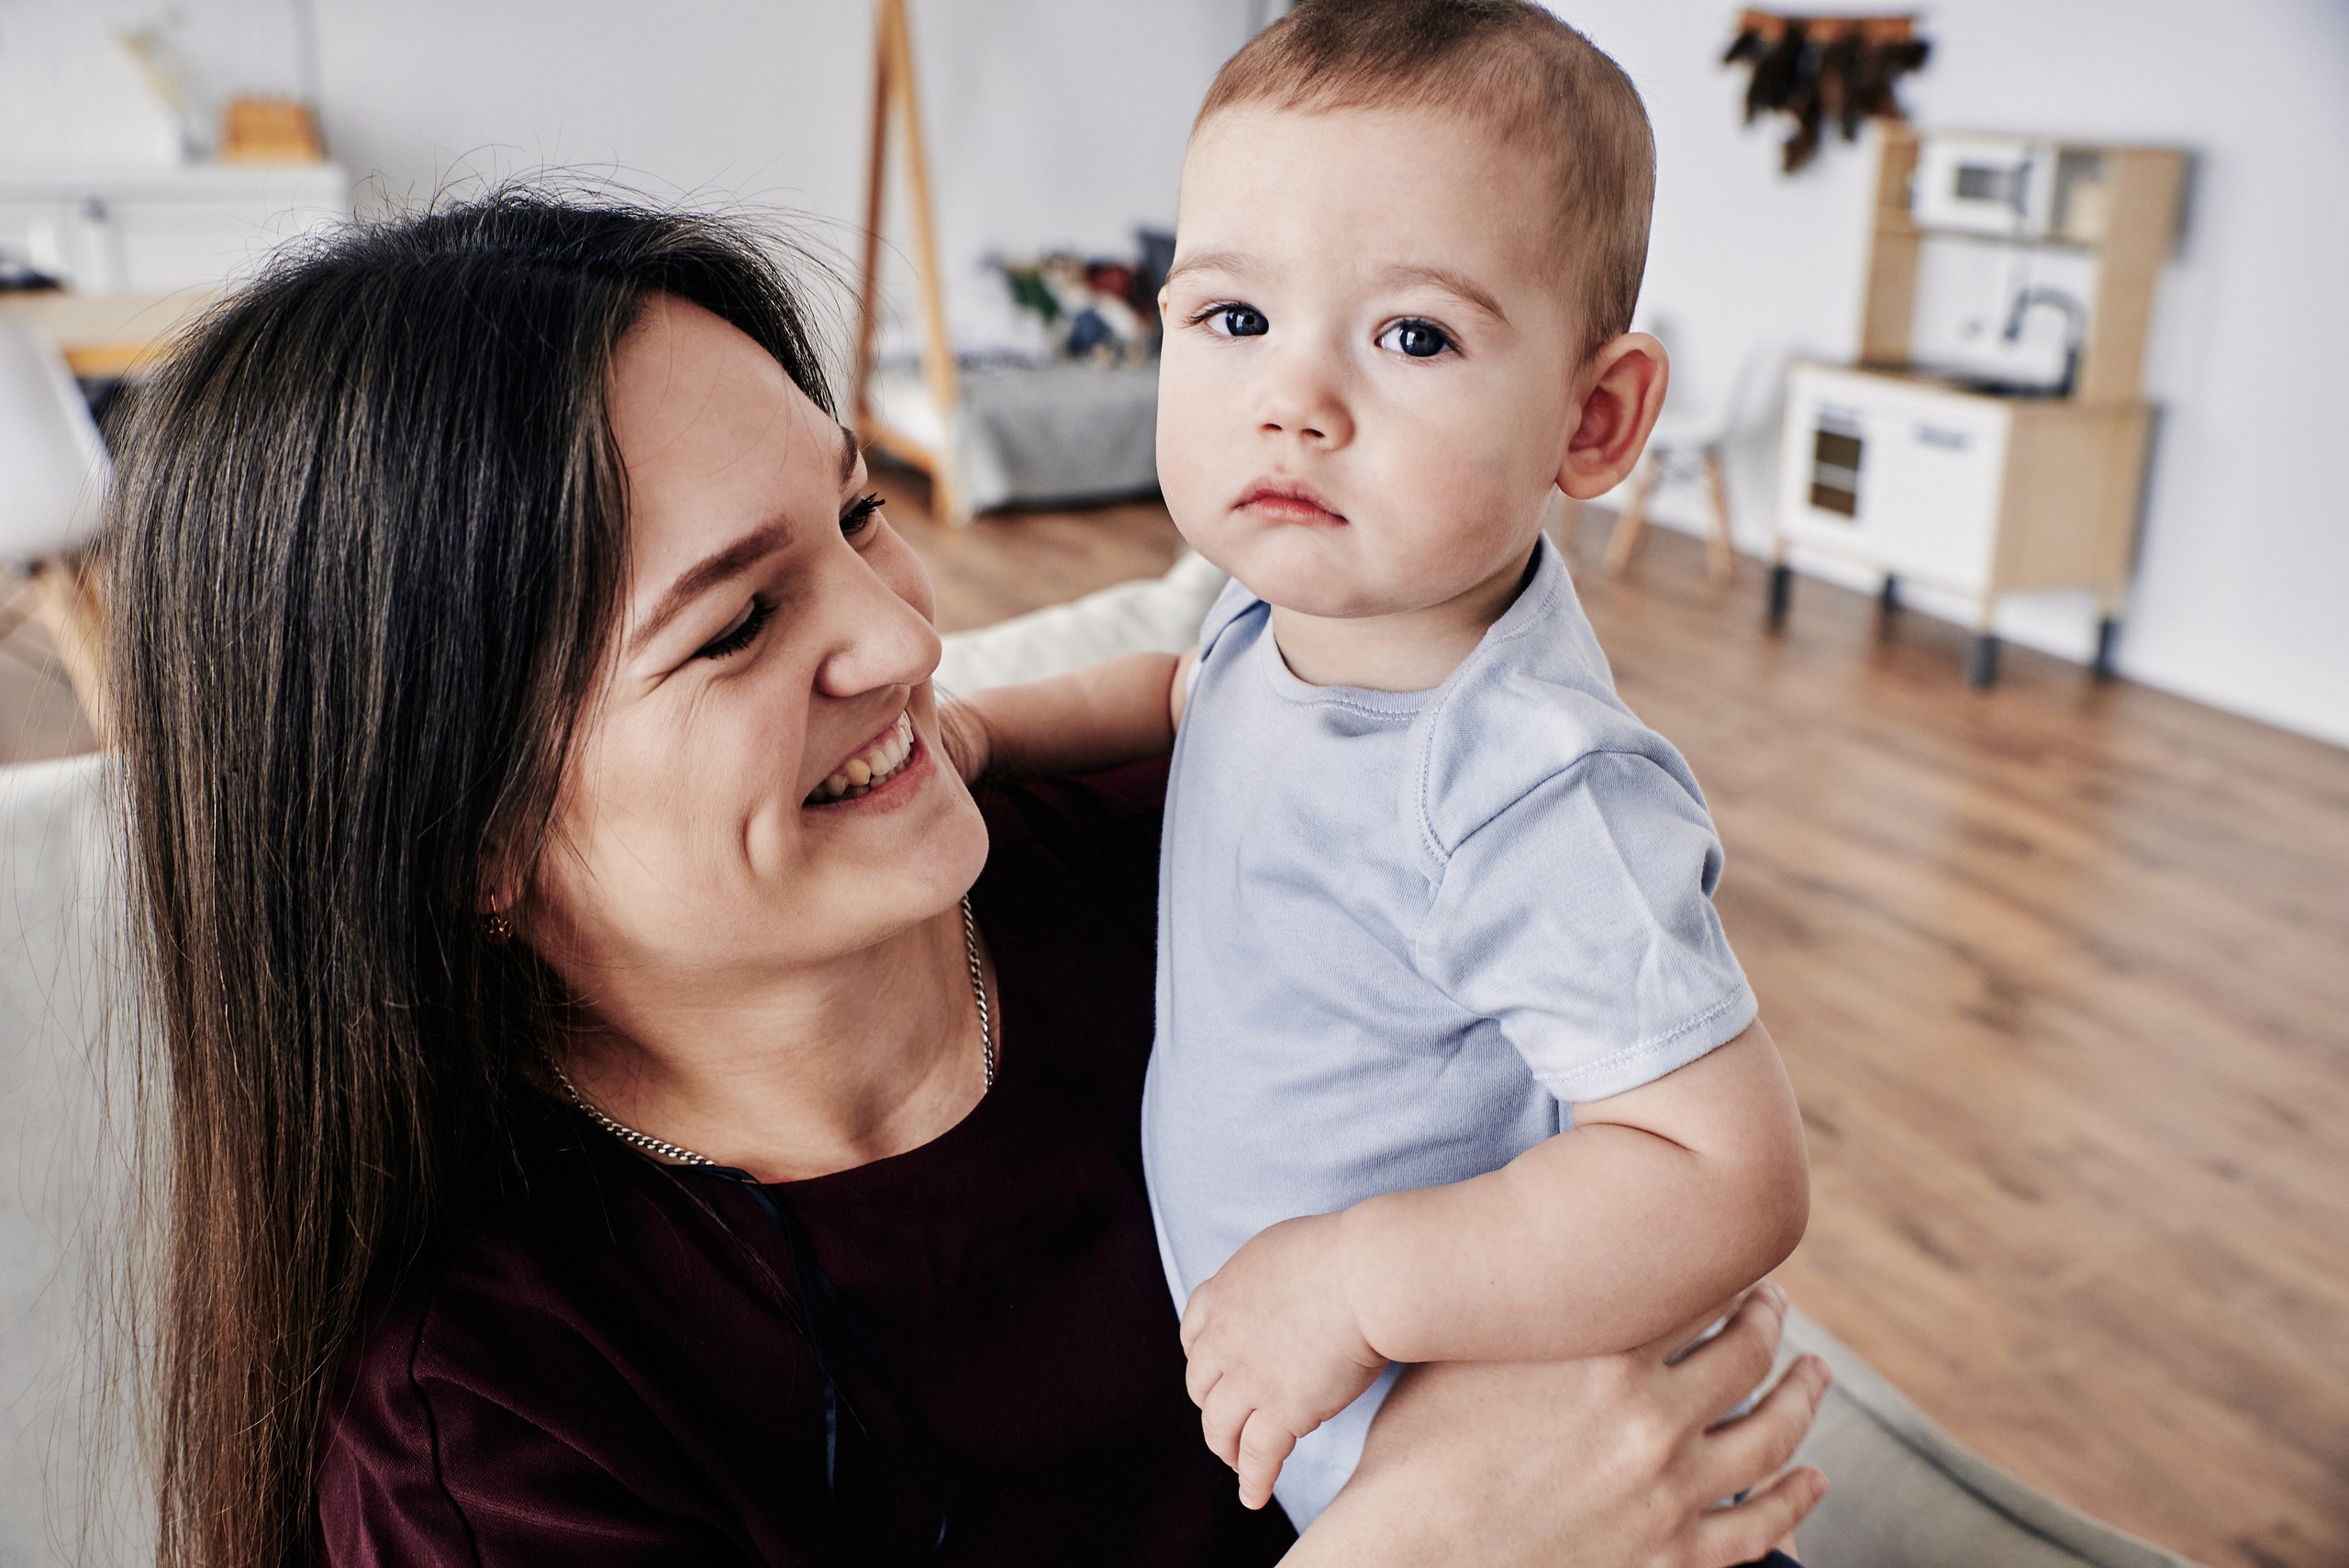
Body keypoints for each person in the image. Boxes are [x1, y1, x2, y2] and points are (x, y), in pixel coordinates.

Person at [105, 190, 1828, 1568]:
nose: (903, 633)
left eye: (856, 516)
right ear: (465, 837)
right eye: (737, 622)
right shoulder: (492, 1430)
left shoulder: (1226, 843)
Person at [952, 0, 1811, 1528]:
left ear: (1594, 417)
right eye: (1232, 319)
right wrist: (987, 729)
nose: (1297, 400)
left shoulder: (1527, 785)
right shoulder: (1288, 614)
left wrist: (1357, 1278)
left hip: (1550, 1512)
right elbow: (1183, 693)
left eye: (1413, 335)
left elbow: (1723, 1173)